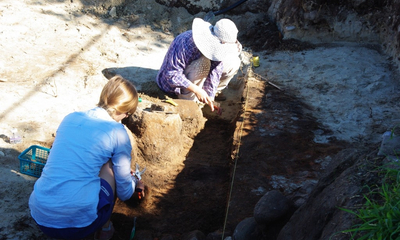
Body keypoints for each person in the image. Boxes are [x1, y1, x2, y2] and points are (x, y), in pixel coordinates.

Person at [29, 75, 145, 240]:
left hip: (41, 216)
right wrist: (135, 183)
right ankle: (104, 229)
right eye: (128, 113)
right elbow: (125, 192)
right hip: (77, 225)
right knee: (111, 166)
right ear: (121, 109)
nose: (126, 117)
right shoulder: (117, 131)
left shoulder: (70, 118)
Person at [156, 17, 242, 111]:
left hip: (196, 76)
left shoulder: (219, 49)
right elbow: (171, 74)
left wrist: (210, 96)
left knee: (234, 62)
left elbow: (216, 70)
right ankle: (189, 103)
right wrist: (197, 90)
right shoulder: (185, 42)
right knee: (203, 64)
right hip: (172, 84)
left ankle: (204, 97)